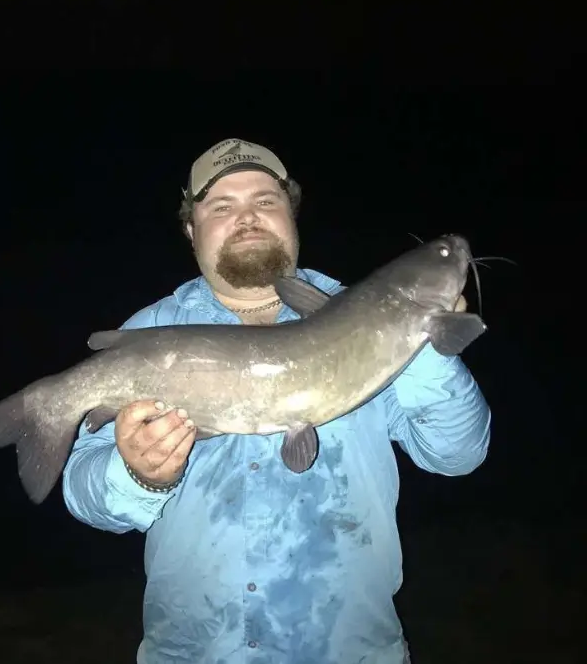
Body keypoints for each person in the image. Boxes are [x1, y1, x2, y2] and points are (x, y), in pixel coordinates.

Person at [62, 138, 492, 664]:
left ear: (292, 215)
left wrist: (417, 335)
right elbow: (82, 494)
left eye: (266, 201)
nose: (247, 217)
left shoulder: (360, 316)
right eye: (222, 206)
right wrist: (136, 476)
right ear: (191, 230)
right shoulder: (150, 334)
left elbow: (457, 455)